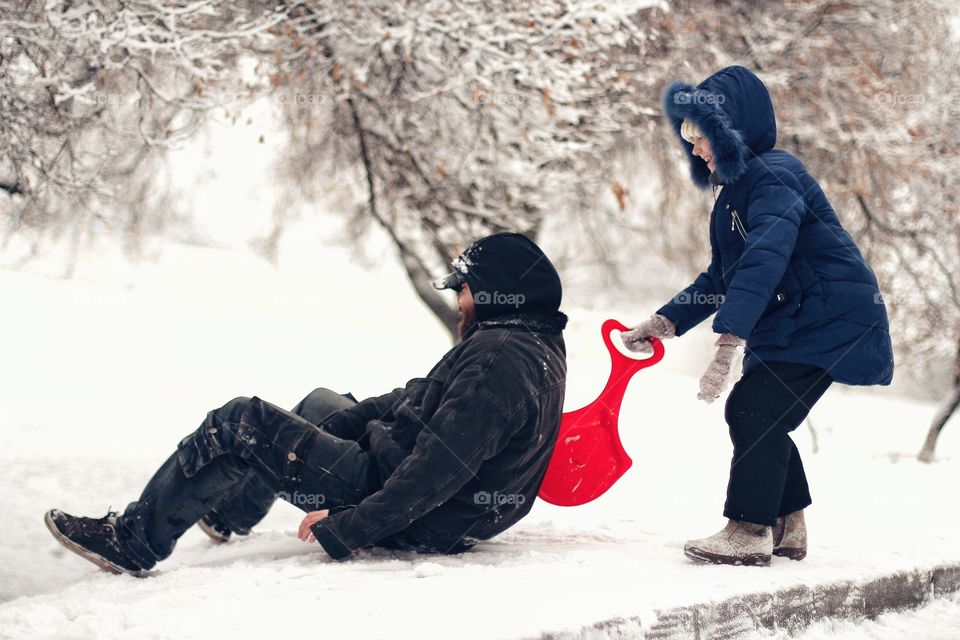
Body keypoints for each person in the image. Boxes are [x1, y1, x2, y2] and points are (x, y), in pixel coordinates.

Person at [45, 232, 568, 575]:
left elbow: (439, 470)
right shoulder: (525, 341)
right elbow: (417, 398)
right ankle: (231, 515)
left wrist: (346, 528)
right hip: (416, 487)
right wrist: (339, 424)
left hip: (416, 510)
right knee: (321, 404)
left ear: (497, 292)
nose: (459, 300)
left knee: (240, 421)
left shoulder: (497, 359)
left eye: (466, 290)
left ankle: (134, 542)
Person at [622, 66, 894, 566]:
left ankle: (750, 530)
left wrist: (727, 345)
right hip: (801, 320)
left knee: (754, 409)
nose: (693, 145)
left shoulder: (773, 174)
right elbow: (724, 277)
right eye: (686, 134)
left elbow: (764, 259)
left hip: (831, 319)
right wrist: (665, 322)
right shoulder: (739, 190)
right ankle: (786, 527)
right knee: (758, 412)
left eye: (699, 133)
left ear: (730, 131)